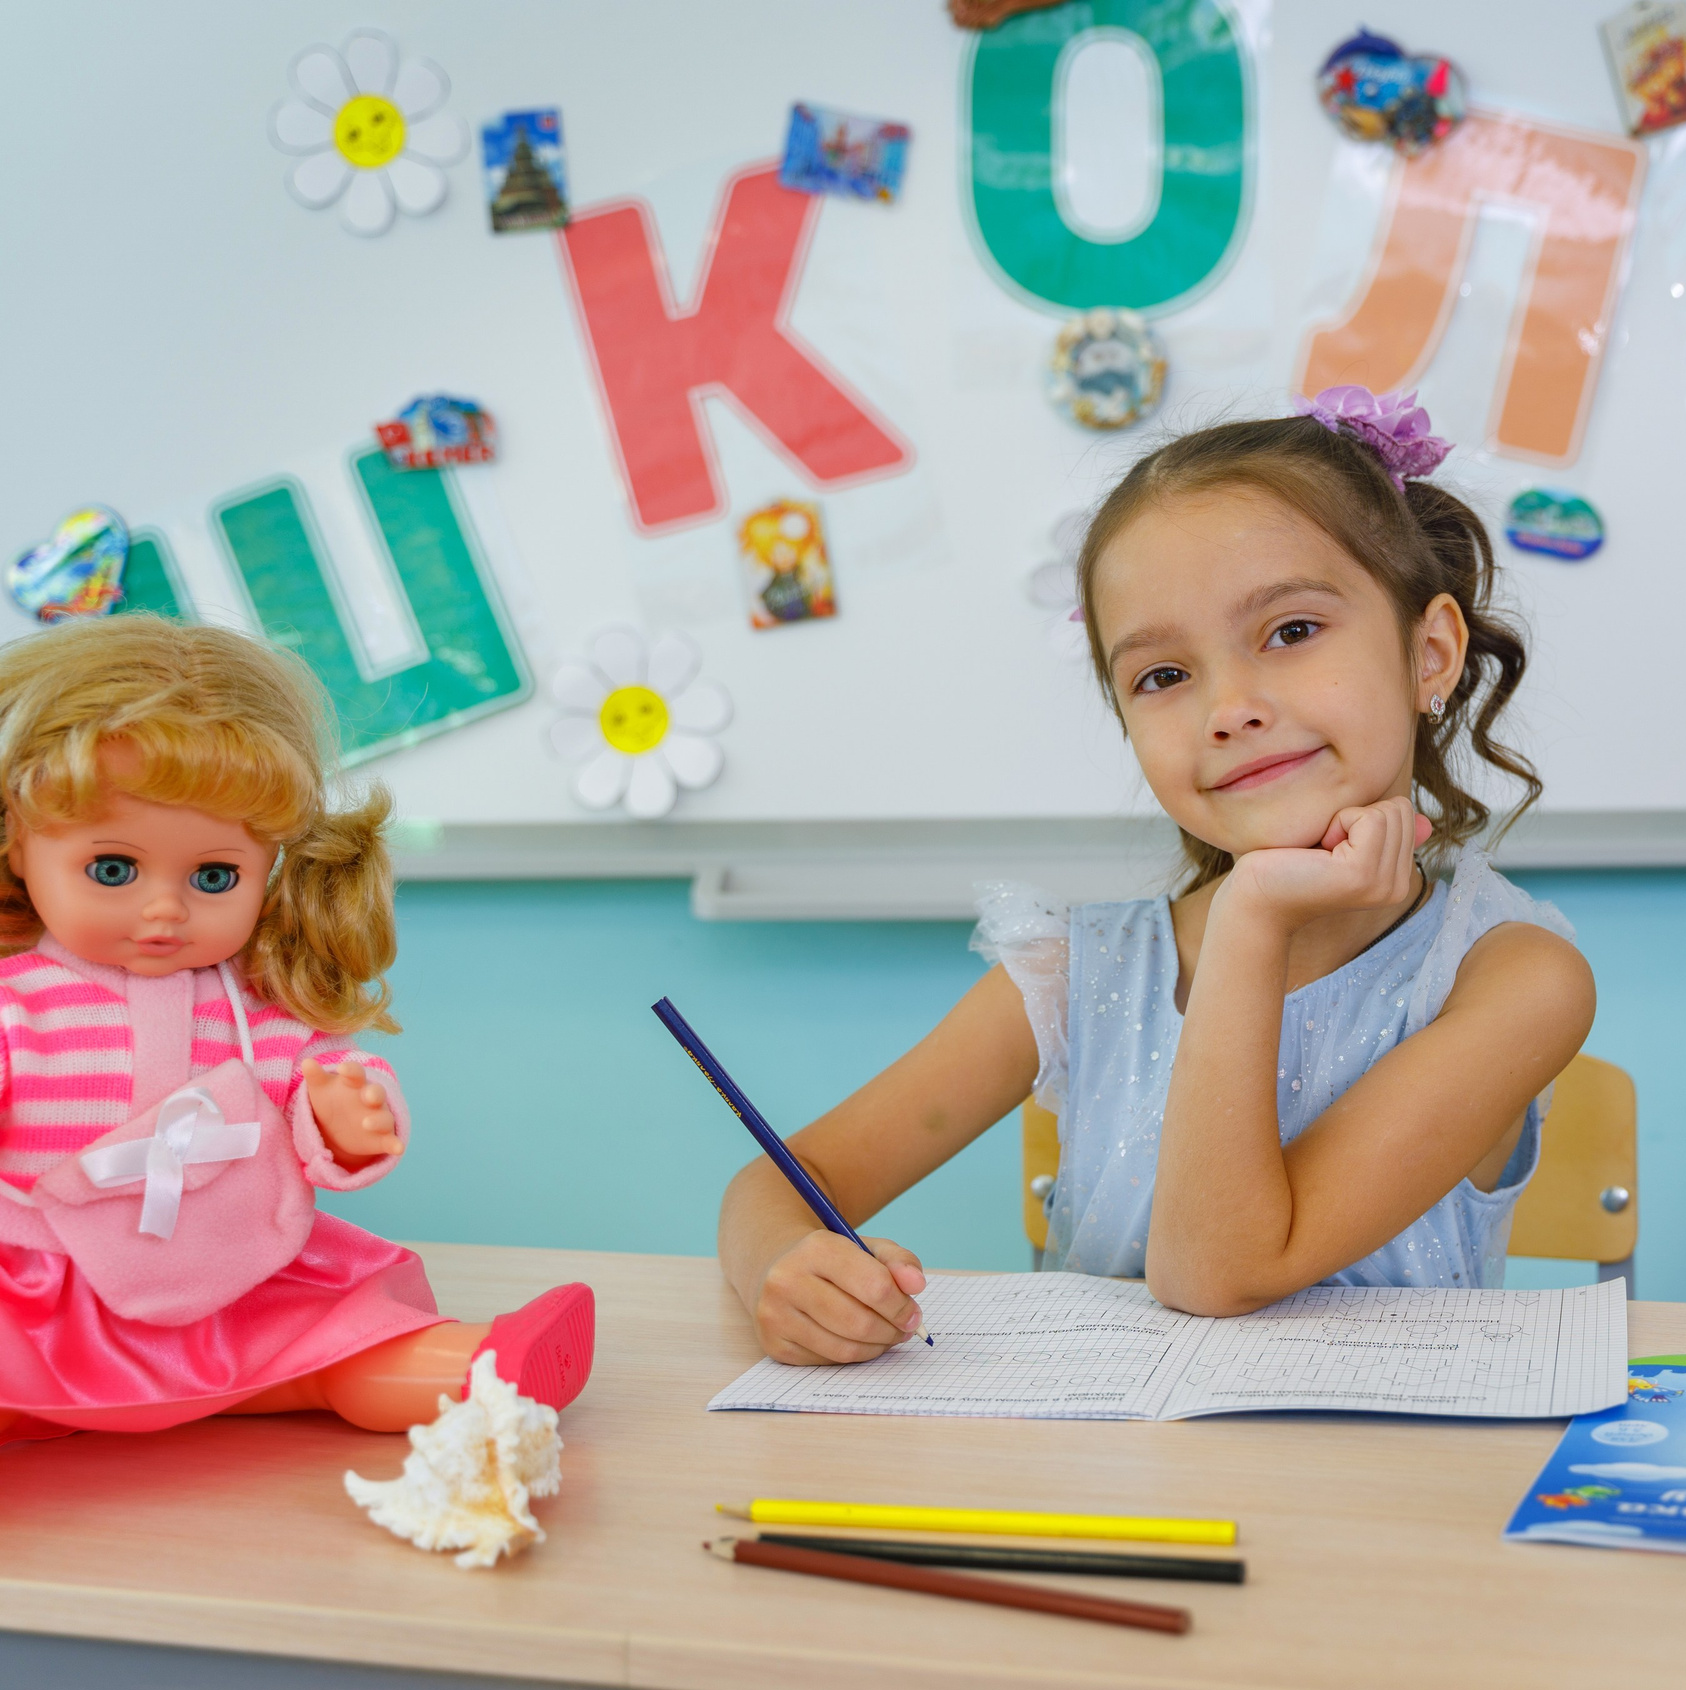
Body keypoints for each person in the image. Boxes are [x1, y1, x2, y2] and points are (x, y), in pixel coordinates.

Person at [720, 385, 1596, 1364]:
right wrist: (782, 1269)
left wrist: (1250, 919)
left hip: (1366, 1502)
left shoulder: (1512, 981)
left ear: (1429, 653)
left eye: (1291, 631)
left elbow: (1215, 1272)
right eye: (1163, 677)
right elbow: (781, 1183)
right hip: (1110, 1498)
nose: (1229, 706)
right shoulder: (1073, 970)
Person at [0, 616, 591, 1443]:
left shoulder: (261, 1010)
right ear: (19, 845)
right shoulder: (15, 1005)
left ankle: (476, 1369)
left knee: (342, 1340)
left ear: (268, 867)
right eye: (113, 868)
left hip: (236, 1276)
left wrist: (343, 1120)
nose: (165, 907)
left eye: (214, 875)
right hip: (45, 1291)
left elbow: (317, 1096)